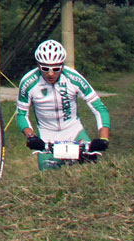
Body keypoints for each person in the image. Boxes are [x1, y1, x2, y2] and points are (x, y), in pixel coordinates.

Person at [16, 39, 110, 171]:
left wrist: (104, 138)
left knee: (92, 172)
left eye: (56, 68)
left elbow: (100, 109)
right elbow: (21, 114)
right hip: (47, 136)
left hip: (74, 131)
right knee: (48, 181)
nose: (50, 73)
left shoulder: (73, 77)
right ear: (38, 65)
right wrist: (31, 136)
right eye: (45, 68)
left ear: (62, 65)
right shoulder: (28, 82)